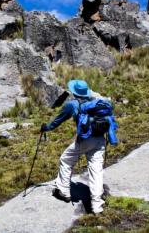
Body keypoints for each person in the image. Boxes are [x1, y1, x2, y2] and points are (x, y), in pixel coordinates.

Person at [40, 79, 106, 214]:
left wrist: (46, 128)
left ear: (75, 92)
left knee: (66, 159)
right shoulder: (96, 102)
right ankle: (97, 205)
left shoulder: (72, 105)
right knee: (96, 171)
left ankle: (64, 191)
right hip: (100, 139)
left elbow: (57, 121)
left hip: (85, 140)